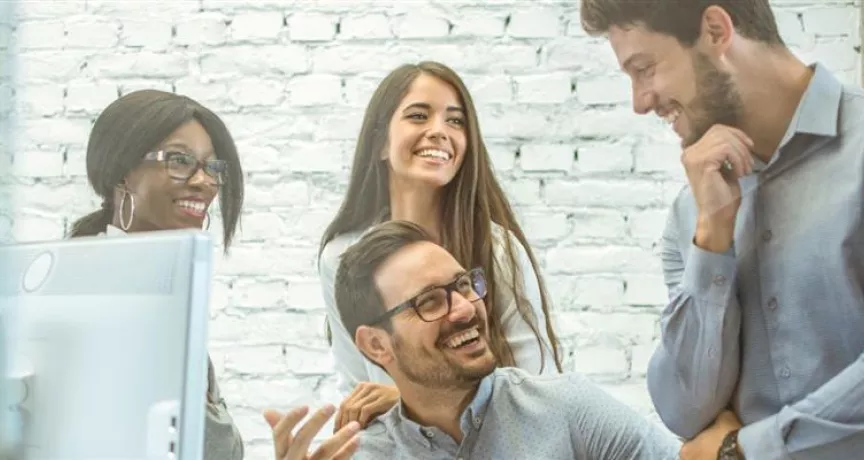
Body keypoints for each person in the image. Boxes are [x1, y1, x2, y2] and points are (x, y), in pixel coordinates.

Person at [581, 1, 864, 459]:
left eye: (644, 69)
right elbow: (685, 411)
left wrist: (744, 450)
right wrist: (713, 235)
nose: (640, 102)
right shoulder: (690, 211)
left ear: (715, 30)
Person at [69, 90, 358, 460]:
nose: (204, 181)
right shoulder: (93, 296)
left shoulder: (162, 298)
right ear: (122, 171)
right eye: (179, 160)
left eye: (213, 167)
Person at [318, 61, 564, 432]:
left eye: (455, 121)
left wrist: (407, 402)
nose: (439, 131)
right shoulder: (339, 258)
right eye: (418, 116)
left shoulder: (497, 249)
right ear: (380, 142)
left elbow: (542, 391)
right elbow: (357, 390)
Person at [324, 220, 681, 459]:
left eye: (464, 285)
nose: (465, 308)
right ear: (376, 345)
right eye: (430, 301)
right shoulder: (362, 455)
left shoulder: (567, 410)